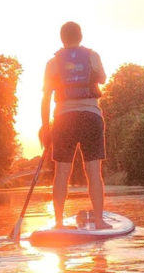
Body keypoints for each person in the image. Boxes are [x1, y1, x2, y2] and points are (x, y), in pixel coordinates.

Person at [39, 21, 111, 229]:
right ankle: (98, 221)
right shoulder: (92, 56)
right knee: (93, 171)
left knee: (61, 172)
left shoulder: (52, 63)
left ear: (62, 39)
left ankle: (59, 223)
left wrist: (45, 128)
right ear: (80, 37)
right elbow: (103, 79)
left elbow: (45, 98)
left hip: (63, 119)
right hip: (91, 116)